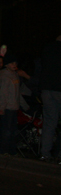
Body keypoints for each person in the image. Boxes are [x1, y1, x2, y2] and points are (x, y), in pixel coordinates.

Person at [39, 35, 61, 163]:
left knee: (49, 122)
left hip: (46, 89)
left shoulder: (48, 48)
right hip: (59, 88)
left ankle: (45, 153)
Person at [0, 52, 21, 156]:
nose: (14, 65)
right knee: (6, 130)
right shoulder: (5, 76)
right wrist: (1, 107)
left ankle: (11, 150)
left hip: (14, 107)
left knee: (12, 130)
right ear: (7, 65)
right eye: (11, 63)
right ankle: (4, 149)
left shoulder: (15, 75)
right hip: (7, 108)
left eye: (15, 63)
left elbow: (17, 92)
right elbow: (3, 93)